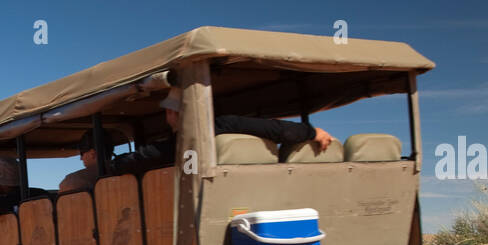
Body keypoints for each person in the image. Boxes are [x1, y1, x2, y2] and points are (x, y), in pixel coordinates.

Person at [110, 88, 334, 177]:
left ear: (171, 113)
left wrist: (109, 166)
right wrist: (311, 132)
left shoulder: (176, 145)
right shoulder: (225, 125)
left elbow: (139, 159)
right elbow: (278, 130)